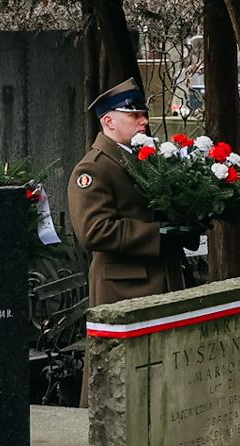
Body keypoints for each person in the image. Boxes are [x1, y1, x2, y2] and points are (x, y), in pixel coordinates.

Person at [69, 77, 190, 307]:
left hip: (160, 277)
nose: (144, 121)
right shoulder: (93, 168)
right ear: (109, 121)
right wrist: (158, 233)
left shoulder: (142, 157)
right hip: (123, 289)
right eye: (134, 116)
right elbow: (94, 231)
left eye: (143, 114)